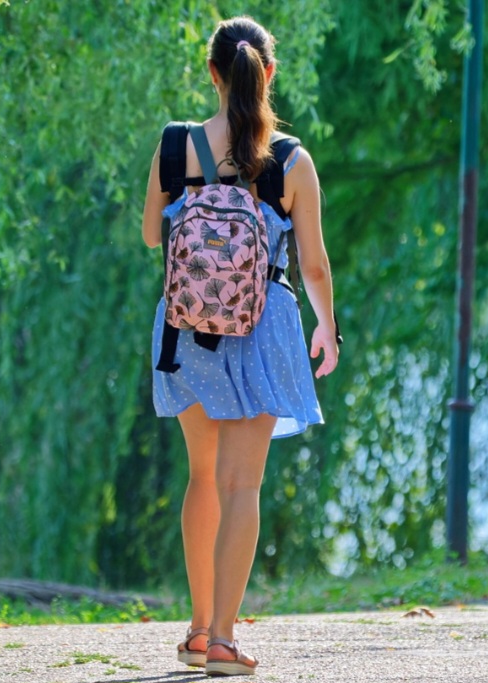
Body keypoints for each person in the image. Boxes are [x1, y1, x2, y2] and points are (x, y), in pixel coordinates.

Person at [141, 16, 339, 677]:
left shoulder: (176, 147)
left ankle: (199, 628)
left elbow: (150, 236)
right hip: (263, 328)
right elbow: (312, 265)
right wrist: (326, 327)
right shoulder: (291, 161)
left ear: (213, 72)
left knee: (202, 476)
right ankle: (224, 640)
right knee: (241, 482)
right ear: (269, 73)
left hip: (188, 326)